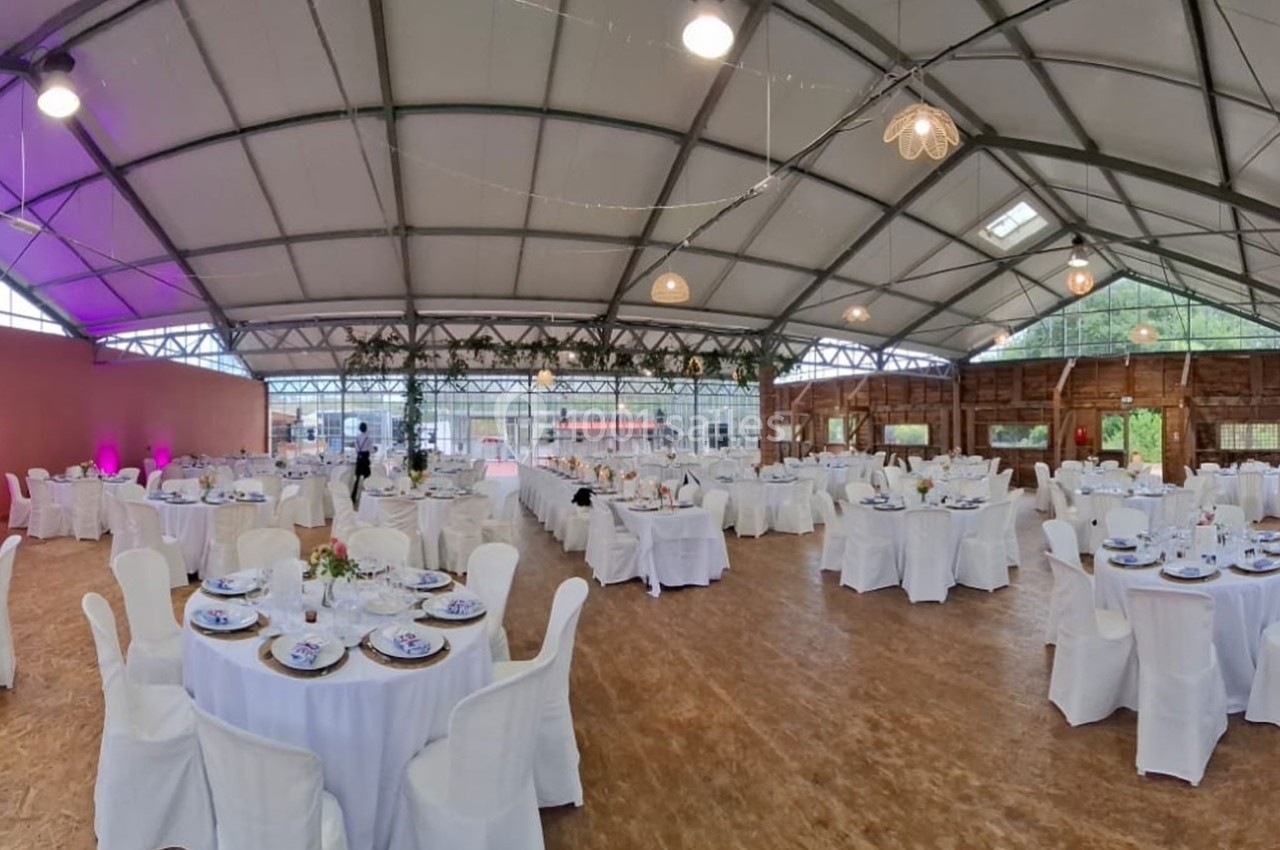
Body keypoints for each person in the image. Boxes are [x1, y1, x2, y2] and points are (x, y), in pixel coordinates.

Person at [353, 422, 374, 501]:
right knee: (367, 477)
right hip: (365, 459)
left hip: (359, 458)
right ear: (366, 429)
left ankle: (354, 496)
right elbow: (371, 450)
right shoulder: (368, 438)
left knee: (357, 478)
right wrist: (374, 450)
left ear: (359, 429)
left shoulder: (357, 438)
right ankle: (367, 496)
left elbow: (356, 449)